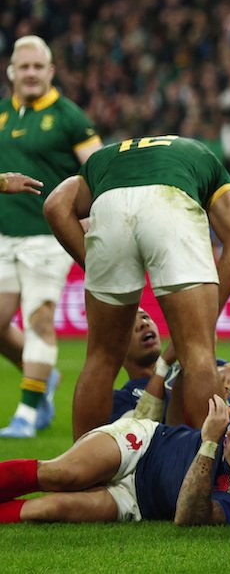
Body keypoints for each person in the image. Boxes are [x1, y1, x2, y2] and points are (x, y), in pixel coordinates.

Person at [42, 135, 230, 438]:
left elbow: (54, 206)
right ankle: (205, 468)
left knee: (100, 358)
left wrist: (98, 271)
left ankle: (84, 471)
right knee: (197, 353)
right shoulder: (201, 155)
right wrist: (209, 313)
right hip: (170, 201)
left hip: (108, 205)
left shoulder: (101, 160)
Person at [0, 35, 102, 438]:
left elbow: (97, 168)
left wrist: (93, 215)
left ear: (51, 71)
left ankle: (26, 413)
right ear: (11, 72)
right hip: (5, 235)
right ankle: (44, 378)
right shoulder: (3, 115)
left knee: (39, 317)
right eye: (23, 67)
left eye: (37, 67)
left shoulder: (69, 116)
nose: (30, 73)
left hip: (48, 235)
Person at [0, 395, 230, 526]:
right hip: (143, 444)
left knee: (49, 509)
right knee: (63, 474)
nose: (226, 432)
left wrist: (209, 443)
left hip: (137, 504)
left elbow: (187, 517)